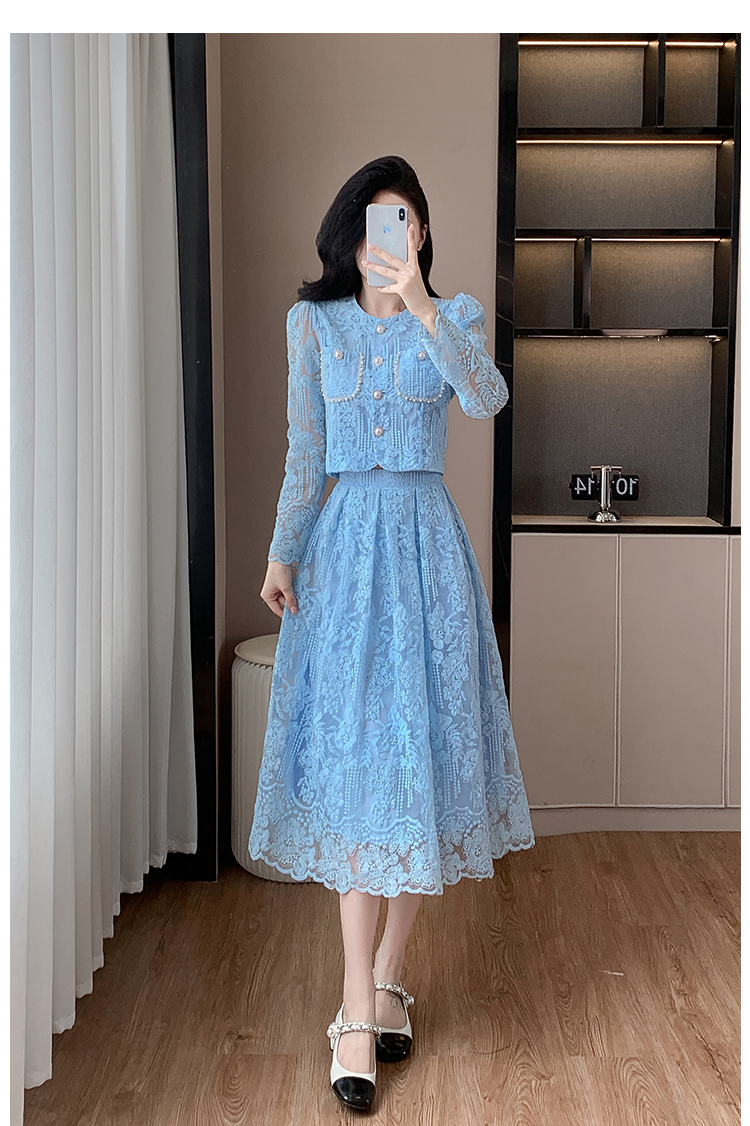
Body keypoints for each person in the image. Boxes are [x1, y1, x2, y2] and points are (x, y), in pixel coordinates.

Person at [248, 155, 535, 1112]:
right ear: (352, 233)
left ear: (422, 233)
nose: (393, 233)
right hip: (342, 557)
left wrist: (419, 304)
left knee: (423, 770)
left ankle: (385, 982)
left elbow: (487, 399)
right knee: (362, 775)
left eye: (406, 218)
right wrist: (283, 553)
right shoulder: (313, 326)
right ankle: (355, 1006)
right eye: (378, 219)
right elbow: (305, 451)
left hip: (426, 560)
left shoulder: (454, 320)